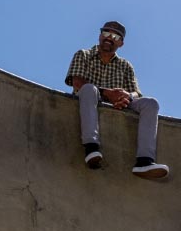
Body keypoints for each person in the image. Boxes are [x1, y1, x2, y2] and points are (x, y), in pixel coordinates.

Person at [64, 21, 169, 179]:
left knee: (151, 103)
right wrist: (107, 93)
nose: (109, 38)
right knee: (89, 89)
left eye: (114, 36)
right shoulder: (83, 55)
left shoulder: (125, 66)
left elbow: (136, 93)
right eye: (106, 33)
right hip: (91, 99)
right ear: (100, 36)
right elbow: (77, 83)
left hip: (120, 104)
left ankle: (144, 161)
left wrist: (127, 96)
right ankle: (91, 148)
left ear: (121, 43)